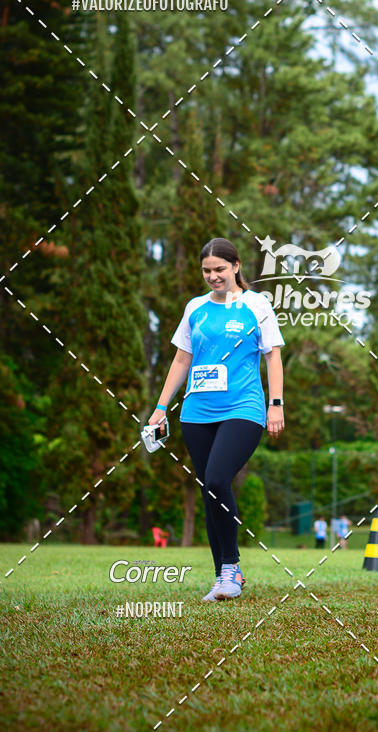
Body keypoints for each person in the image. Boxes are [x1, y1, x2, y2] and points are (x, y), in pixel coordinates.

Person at [146, 238, 285, 602]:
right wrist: (161, 408)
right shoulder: (195, 308)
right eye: (207, 271)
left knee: (218, 478)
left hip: (243, 407)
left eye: (220, 269)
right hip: (196, 412)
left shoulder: (257, 305)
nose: (213, 277)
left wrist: (276, 403)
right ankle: (223, 574)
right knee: (210, 490)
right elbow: (181, 360)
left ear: (236, 266)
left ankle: (231, 567)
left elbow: (273, 357)